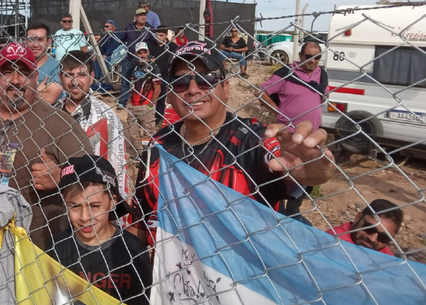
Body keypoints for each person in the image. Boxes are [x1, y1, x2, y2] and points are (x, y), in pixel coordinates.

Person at [131, 42, 336, 245]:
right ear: (171, 92)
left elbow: (286, 165)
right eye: (181, 81)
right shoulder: (158, 144)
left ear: (226, 88)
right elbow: (140, 219)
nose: (193, 90)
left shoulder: (252, 139)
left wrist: (314, 170)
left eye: (206, 79)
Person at [0, 42, 94, 248]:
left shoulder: (59, 123)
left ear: (35, 78)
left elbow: (93, 175)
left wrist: (61, 176)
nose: (15, 80)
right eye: (6, 73)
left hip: (37, 248)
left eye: (23, 73)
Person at [46, 155, 151, 305]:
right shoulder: (56, 249)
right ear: (64, 201)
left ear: (112, 201)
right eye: (74, 206)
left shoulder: (134, 251)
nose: (84, 217)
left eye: (94, 206)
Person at [258, 41, 328, 223]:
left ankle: (294, 208)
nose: (313, 61)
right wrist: (278, 110)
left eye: (317, 57)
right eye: (309, 56)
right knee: (284, 173)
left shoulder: (323, 75)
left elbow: (324, 95)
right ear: (300, 56)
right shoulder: (287, 74)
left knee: (308, 172)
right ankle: (276, 210)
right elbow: (261, 92)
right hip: (289, 136)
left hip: (312, 136)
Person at [57, 51, 128, 197]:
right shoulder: (53, 113)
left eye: (81, 75)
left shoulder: (106, 116)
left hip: (92, 195)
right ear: (60, 77)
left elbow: (117, 163)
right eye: (69, 74)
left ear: (92, 77)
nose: (75, 81)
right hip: (58, 195)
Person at [327, 199, 403, 256]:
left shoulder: (386, 256)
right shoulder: (336, 239)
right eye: (370, 228)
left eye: (383, 237)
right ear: (358, 217)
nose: (372, 239)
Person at [126, 42, 162, 158]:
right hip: (132, 105)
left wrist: (151, 104)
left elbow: (157, 89)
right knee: (133, 133)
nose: (142, 55)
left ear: (148, 52)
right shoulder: (134, 66)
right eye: (139, 53)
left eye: (144, 52)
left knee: (149, 132)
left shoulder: (154, 68)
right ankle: (140, 154)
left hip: (146, 105)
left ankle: (150, 155)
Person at [118, 8, 155, 110]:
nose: (143, 17)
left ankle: (142, 102)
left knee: (142, 81)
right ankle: (122, 102)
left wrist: (150, 57)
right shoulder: (129, 27)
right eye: (140, 15)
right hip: (129, 58)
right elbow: (122, 39)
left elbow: (153, 43)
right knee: (125, 80)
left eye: (144, 15)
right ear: (136, 17)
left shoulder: (150, 29)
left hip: (142, 61)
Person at [23, 23, 64, 104]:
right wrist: (37, 91)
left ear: (49, 42)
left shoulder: (57, 66)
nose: (35, 45)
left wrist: (22, 90)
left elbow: (50, 98)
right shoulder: (19, 64)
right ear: (25, 42)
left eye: (40, 40)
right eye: (31, 40)